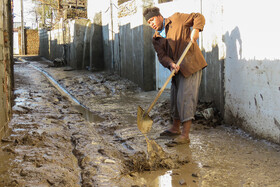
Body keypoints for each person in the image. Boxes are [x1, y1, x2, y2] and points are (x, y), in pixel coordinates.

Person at [143, 7, 207, 145]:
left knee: (185, 98)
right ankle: (175, 128)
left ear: (159, 16)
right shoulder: (156, 38)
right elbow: (162, 56)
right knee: (175, 98)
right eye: (149, 22)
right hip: (176, 69)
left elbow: (198, 16)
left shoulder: (177, 19)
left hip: (191, 65)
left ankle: (185, 135)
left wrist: (196, 29)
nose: (151, 23)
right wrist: (171, 63)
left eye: (152, 19)